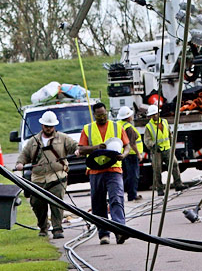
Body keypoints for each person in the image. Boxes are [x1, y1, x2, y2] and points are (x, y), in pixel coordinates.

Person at [13, 110, 77, 239]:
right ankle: (43, 226)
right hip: (38, 179)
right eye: (47, 126)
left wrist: (77, 150)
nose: (49, 128)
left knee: (57, 202)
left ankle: (57, 228)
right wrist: (20, 164)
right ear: (42, 125)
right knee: (37, 204)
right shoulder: (33, 141)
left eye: (51, 126)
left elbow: (74, 146)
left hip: (58, 177)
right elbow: (24, 155)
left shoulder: (63, 138)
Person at [76, 101, 128, 245]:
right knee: (98, 203)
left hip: (114, 169)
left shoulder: (117, 127)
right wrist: (95, 147)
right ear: (94, 115)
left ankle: (120, 231)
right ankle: (103, 233)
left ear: (107, 112)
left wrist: (124, 155)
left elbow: (127, 145)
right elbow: (81, 149)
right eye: (99, 116)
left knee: (116, 199)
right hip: (95, 170)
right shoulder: (87, 129)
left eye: (104, 114)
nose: (102, 118)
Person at [142, 104, 181, 194]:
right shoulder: (149, 126)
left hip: (167, 149)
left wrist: (171, 145)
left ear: (158, 113)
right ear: (150, 116)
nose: (154, 116)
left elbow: (169, 134)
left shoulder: (164, 122)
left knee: (174, 165)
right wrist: (153, 145)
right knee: (157, 170)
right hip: (157, 151)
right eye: (152, 115)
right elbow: (147, 140)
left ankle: (178, 184)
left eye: (156, 114)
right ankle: (159, 189)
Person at [117, 106, 142, 202]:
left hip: (123, 153)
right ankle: (132, 195)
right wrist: (138, 154)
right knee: (133, 175)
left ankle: (120, 194)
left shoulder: (119, 124)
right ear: (128, 117)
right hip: (131, 154)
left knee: (124, 176)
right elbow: (132, 143)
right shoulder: (129, 128)